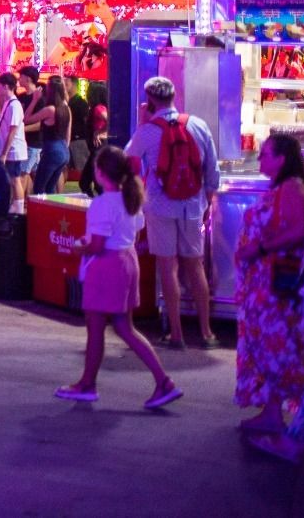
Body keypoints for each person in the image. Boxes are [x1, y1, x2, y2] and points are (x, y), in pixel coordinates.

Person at [54, 147, 182, 410]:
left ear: (100, 174)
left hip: (106, 266)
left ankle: (87, 385)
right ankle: (163, 381)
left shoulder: (103, 204)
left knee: (96, 327)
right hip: (127, 261)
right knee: (125, 327)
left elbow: (98, 244)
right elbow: (134, 236)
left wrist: (80, 246)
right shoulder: (131, 199)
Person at [125, 76, 220, 350]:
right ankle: (207, 332)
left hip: (159, 205)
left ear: (151, 100)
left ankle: (176, 334)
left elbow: (129, 161)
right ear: (174, 96)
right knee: (195, 264)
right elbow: (211, 170)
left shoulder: (148, 130)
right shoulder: (198, 125)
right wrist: (206, 202)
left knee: (168, 266)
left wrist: (142, 121)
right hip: (192, 205)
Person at [232, 133, 304, 436]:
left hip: (274, 286)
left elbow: (302, 229)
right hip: (264, 283)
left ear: (281, 159)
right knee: (266, 347)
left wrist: (260, 248)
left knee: (275, 347)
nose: (260, 158)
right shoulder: (286, 187)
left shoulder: (292, 187)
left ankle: (283, 410)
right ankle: (272, 413)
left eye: (265, 154)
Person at [0, 73, 30, 209]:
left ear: (6, 86)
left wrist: (4, 153)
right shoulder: (9, 104)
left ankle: (19, 209)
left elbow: (12, 131)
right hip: (10, 148)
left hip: (13, 149)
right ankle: (15, 206)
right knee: (13, 179)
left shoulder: (14, 105)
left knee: (15, 180)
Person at [31, 76, 73, 195]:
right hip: (64, 150)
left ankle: (40, 213)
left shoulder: (50, 109)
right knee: (50, 187)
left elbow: (26, 119)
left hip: (53, 149)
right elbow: (68, 134)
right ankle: (52, 212)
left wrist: (34, 100)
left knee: (39, 187)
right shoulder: (66, 108)